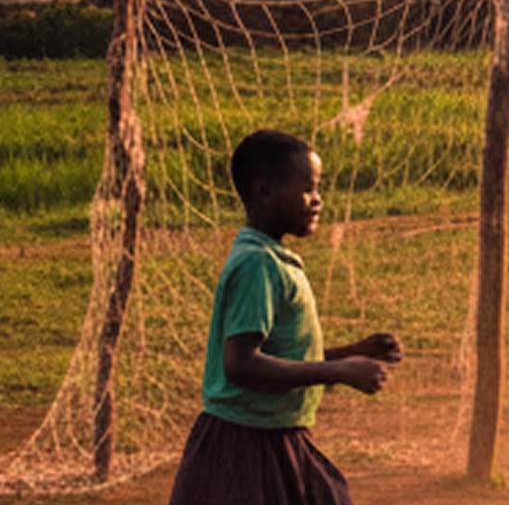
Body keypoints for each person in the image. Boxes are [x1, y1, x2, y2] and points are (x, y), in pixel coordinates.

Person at [167, 130, 403, 505]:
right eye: (307, 188)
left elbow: (284, 361)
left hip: (276, 438)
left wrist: (352, 353)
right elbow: (241, 365)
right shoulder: (256, 264)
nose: (317, 200)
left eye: (318, 188)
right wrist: (338, 372)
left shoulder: (272, 259)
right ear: (264, 192)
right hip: (243, 449)